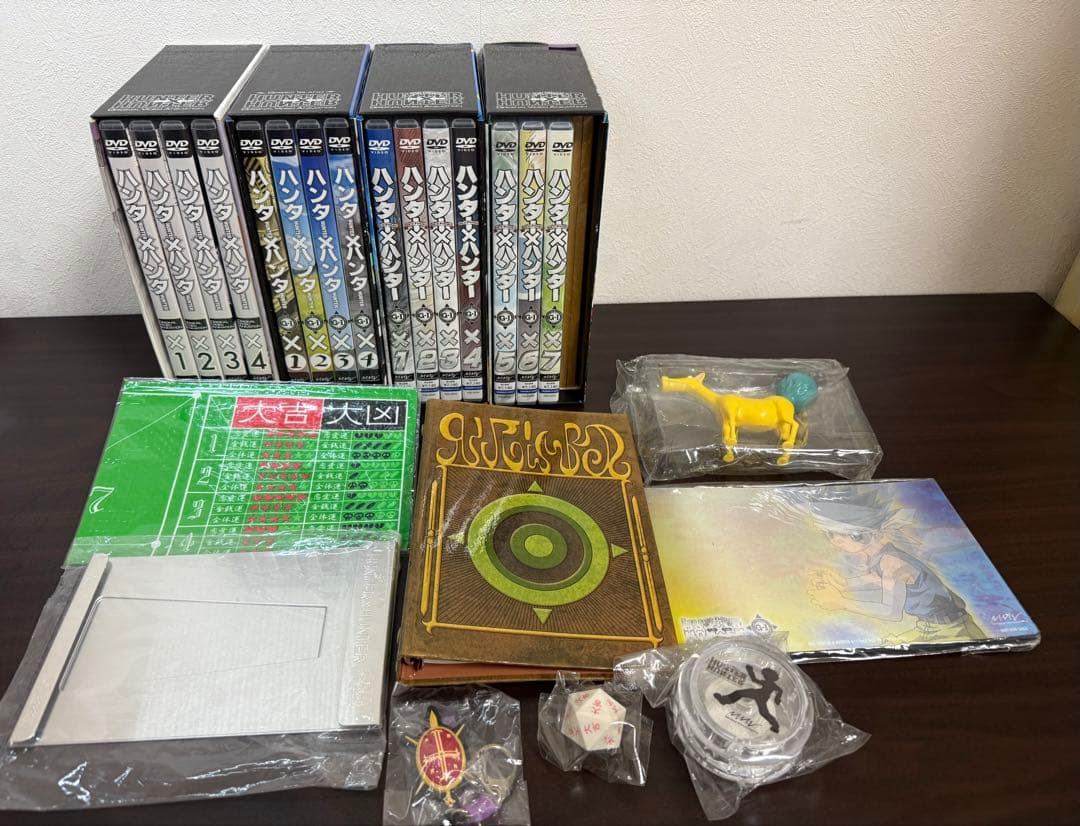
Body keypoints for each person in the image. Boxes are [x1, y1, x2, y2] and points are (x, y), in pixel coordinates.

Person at [805, 490, 985, 645]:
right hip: (930, 627)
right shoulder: (880, 557)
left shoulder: (892, 562)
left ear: (872, 533)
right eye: (831, 535)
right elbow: (875, 580)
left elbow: (891, 612)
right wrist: (842, 583)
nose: (836, 541)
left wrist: (841, 603)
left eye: (849, 535)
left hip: (955, 631)